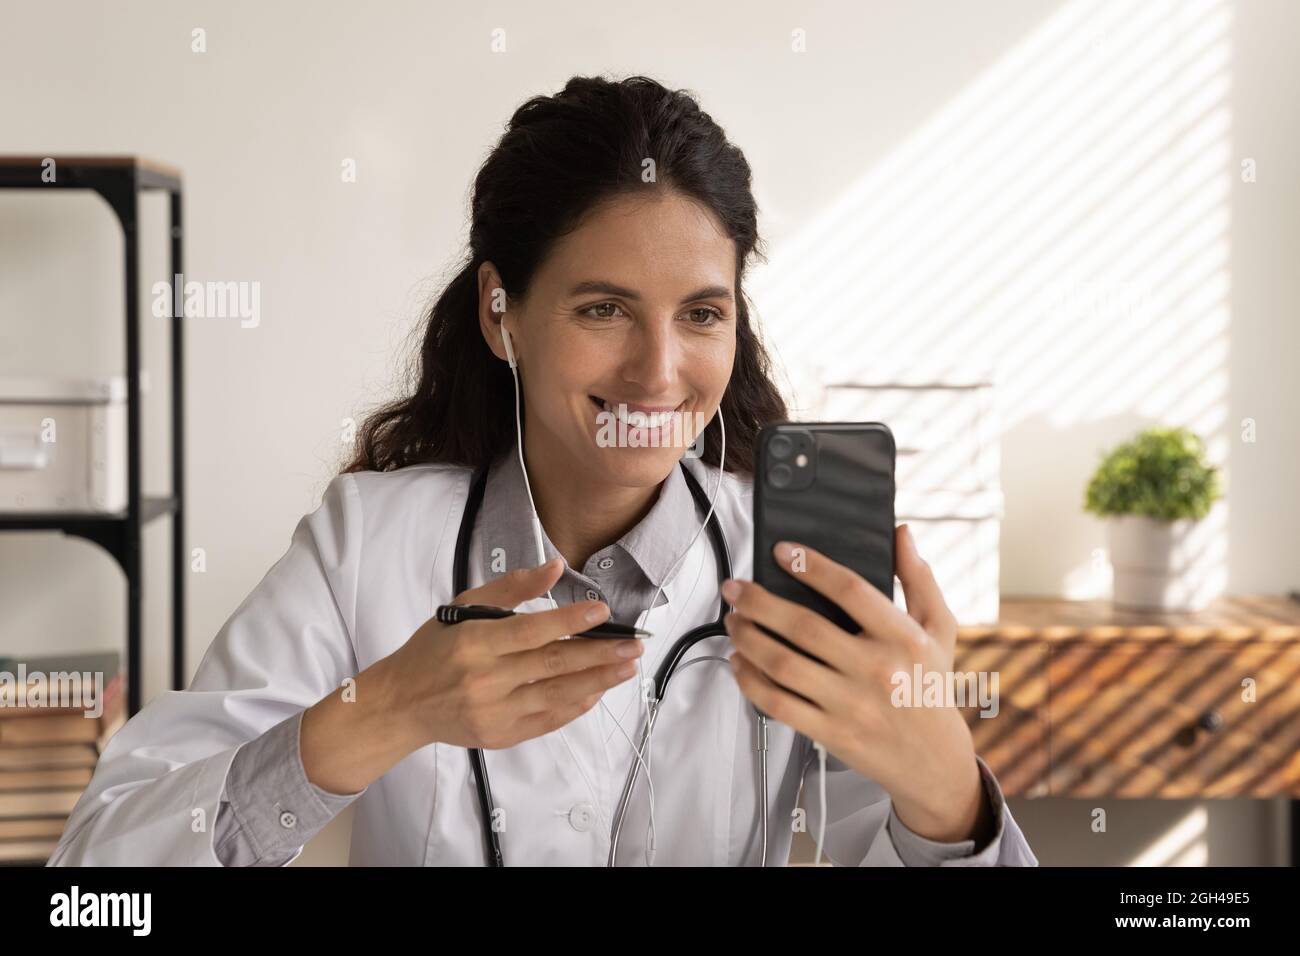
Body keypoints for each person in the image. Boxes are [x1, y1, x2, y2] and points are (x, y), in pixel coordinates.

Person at [49, 74, 1037, 867]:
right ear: (500, 311)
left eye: (700, 313)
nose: (658, 371)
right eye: (602, 308)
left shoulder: (791, 560)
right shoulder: (368, 541)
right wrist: (379, 711)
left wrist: (946, 787)